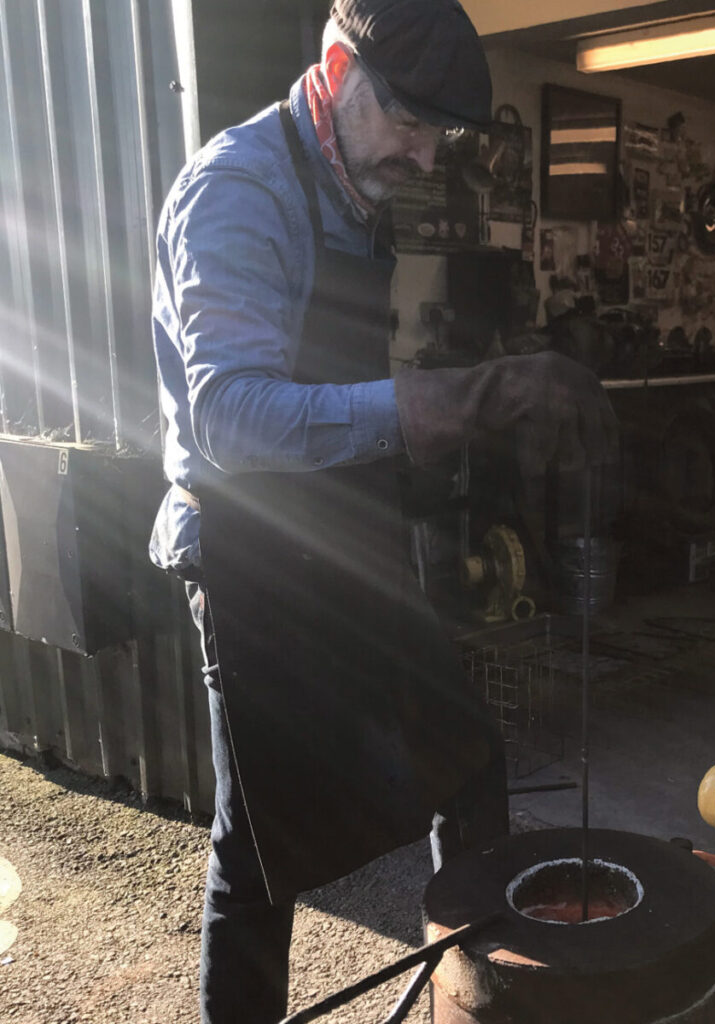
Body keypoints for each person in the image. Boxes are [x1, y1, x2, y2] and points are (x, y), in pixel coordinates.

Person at [148, 1, 617, 1021]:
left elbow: (349, 391)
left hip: (340, 527)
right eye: (406, 119)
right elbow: (232, 415)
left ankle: (472, 993)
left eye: (439, 135)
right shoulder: (240, 191)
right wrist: (462, 399)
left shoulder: (360, 183)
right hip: (248, 544)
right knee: (261, 850)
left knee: (466, 756)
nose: (420, 152)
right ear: (332, 67)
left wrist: (478, 396)